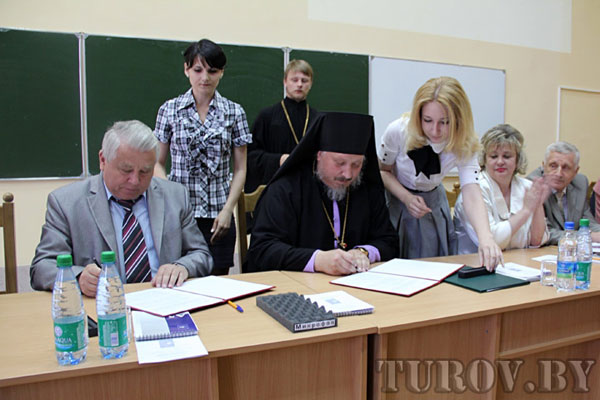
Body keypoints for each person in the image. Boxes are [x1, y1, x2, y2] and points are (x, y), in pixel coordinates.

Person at [31, 120, 213, 297]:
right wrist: (77, 277)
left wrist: (182, 267)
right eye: (126, 170)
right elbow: (41, 267)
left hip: (165, 301)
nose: (135, 181)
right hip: (104, 305)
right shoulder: (66, 203)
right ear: (103, 160)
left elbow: (201, 255)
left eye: (145, 171)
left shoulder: (175, 196)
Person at [246, 112, 398, 275]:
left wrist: (363, 252)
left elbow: (389, 241)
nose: (348, 174)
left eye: (356, 164)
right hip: (298, 284)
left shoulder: (367, 190)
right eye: (340, 163)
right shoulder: (286, 189)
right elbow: (263, 249)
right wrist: (317, 260)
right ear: (319, 155)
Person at [378, 76, 502, 270]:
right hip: (397, 200)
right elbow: (383, 171)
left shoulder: (464, 142)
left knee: (434, 265)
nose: (435, 130)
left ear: (459, 120)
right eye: (427, 120)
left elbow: (471, 191)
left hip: (433, 204)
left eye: (444, 122)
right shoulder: (398, 131)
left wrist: (486, 238)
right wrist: (407, 198)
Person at [154, 39, 251, 275]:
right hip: (180, 217)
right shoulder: (169, 110)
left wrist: (228, 210)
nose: (204, 77)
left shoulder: (234, 112)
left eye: (212, 71)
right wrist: (171, 200)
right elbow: (157, 163)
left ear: (222, 73)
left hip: (219, 218)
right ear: (186, 69)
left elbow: (240, 169)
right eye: (198, 70)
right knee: (178, 280)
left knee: (219, 284)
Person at [454, 124, 550, 253]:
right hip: (473, 262)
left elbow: (537, 241)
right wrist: (526, 211)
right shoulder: (474, 190)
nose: (500, 162)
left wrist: (537, 205)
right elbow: (492, 242)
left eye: (507, 156)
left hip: (517, 261)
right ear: (484, 159)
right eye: (493, 156)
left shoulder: (527, 187)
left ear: (518, 160)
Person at [245, 59, 317, 194]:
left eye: (304, 80)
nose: (299, 84)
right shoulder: (267, 116)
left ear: (311, 84)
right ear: (285, 82)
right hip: (274, 189)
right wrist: (279, 160)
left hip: (307, 189)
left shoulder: (317, 119)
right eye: (294, 80)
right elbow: (251, 156)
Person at [528, 141, 600, 243]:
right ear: (544, 166)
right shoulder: (532, 185)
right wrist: (587, 236)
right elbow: (544, 233)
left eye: (566, 168)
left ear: (576, 171)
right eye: (553, 166)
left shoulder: (580, 183)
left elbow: (588, 223)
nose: (559, 174)